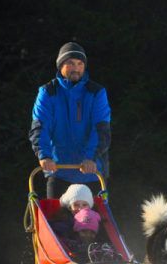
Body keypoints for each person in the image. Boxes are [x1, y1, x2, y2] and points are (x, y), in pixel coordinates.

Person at [29, 41, 111, 199]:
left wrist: (90, 158)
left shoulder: (96, 92)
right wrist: (44, 155)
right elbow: (40, 127)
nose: (76, 68)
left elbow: (101, 129)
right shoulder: (48, 92)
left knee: (93, 215)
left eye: (80, 64)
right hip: (58, 170)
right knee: (54, 214)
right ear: (61, 66)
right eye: (71, 63)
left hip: (92, 172)